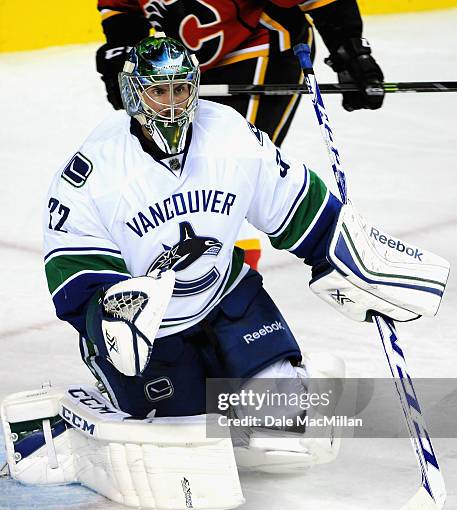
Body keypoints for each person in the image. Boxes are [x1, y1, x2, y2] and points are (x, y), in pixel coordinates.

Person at [43, 36, 439, 427]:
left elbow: (293, 203)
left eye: (181, 89)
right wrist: (108, 317)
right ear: (133, 95)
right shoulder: (94, 171)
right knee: (186, 433)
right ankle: (112, 377)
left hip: (228, 298)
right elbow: (73, 267)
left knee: (285, 417)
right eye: (158, 92)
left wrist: (351, 258)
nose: (172, 104)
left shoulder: (228, 134)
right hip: (152, 333)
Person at [95, 0, 385, 269]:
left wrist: (350, 51)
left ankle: (231, 289)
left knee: (227, 171)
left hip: (263, 45)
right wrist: (122, 54)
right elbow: (123, 9)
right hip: (188, 67)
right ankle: (186, 275)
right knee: (174, 168)